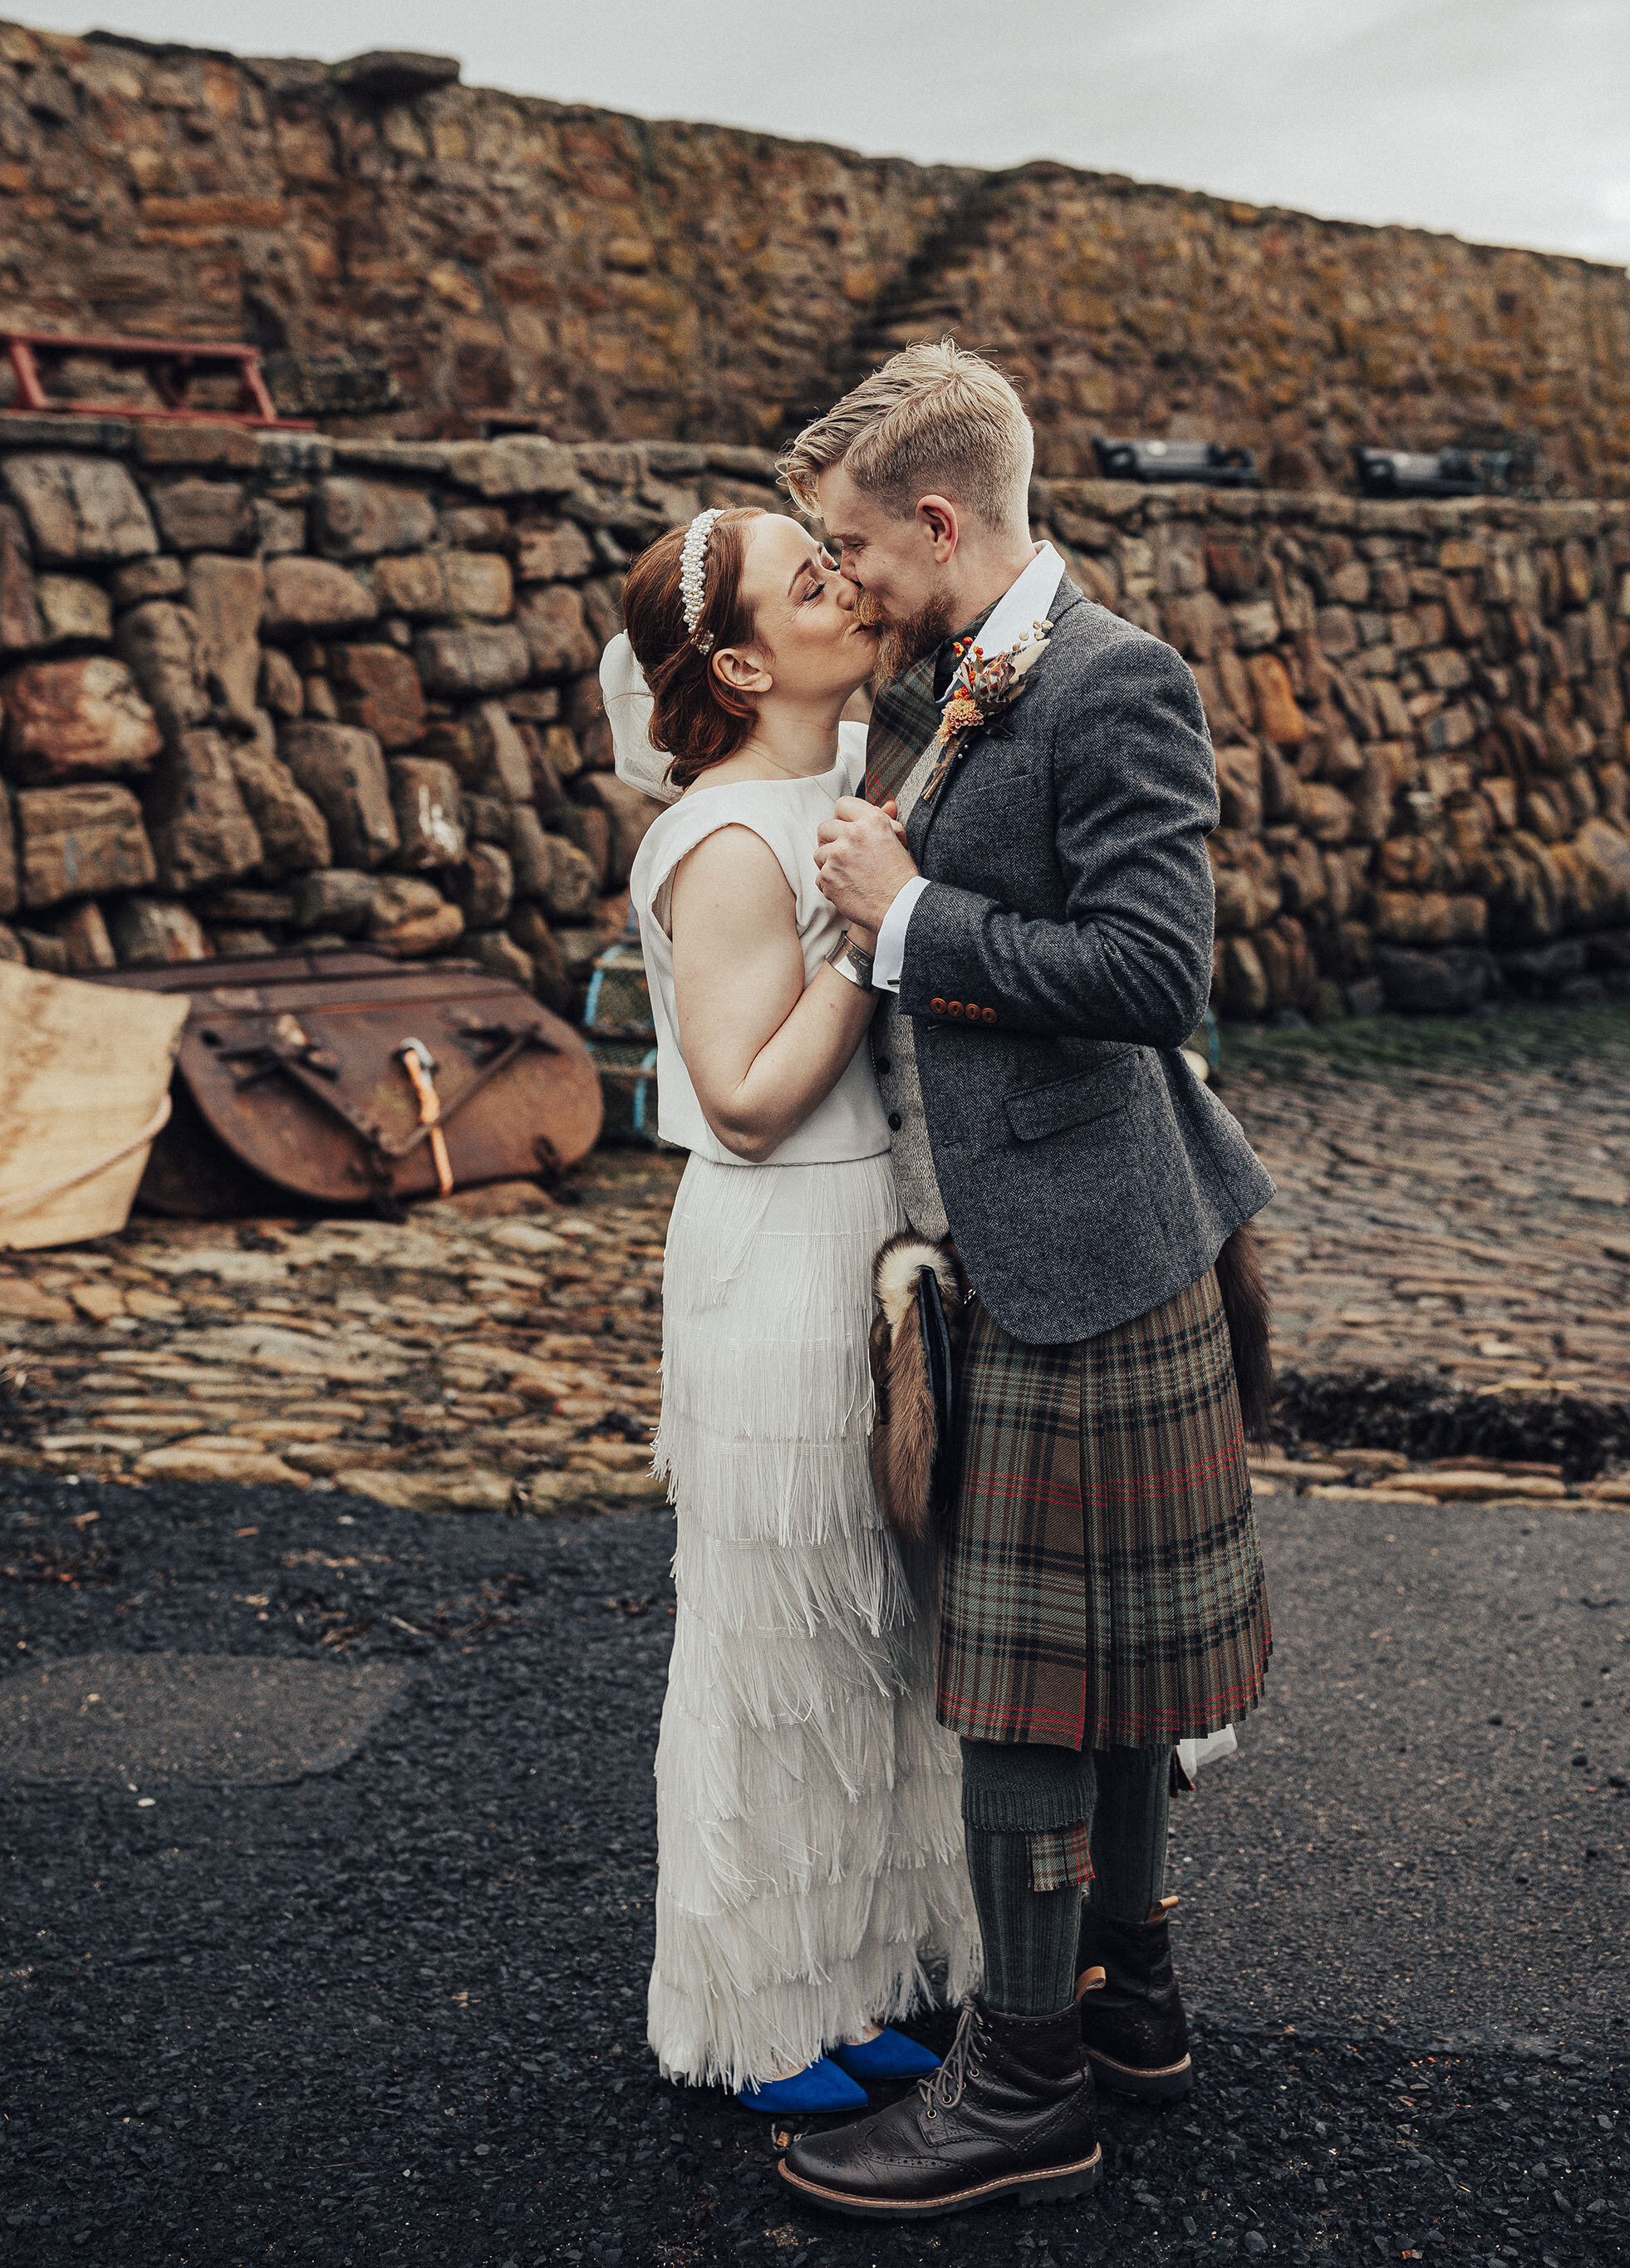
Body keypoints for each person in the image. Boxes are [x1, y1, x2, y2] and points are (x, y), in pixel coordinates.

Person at [770, 341, 1275, 2220]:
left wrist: (909, 916)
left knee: (1027, 1694)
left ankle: (1025, 2080)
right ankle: (1130, 1996)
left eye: (852, 549)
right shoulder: (981, 677)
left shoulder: (1115, 679)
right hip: (1044, 1242)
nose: (843, 585)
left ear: (935, 518)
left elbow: (1158, 977)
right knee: (1118, 1674)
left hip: (1083, 1254)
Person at [600, 503, 979, 2118]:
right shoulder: (733, 838)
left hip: (865, 1238)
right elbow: (744, 1100)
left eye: (833, 562)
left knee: (878, 1644)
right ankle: (753, 2015)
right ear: (745, 660)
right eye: (805, 579)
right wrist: (878, 938)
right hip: (772, 1247)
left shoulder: (836, 786)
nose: (843, 586)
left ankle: (862, 1977)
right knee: (776, 1648)